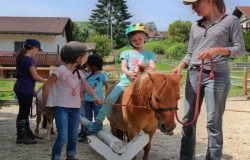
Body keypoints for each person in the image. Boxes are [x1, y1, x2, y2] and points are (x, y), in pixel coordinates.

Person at [172, 0, 245, 159]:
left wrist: (218, 50)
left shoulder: (231, 21)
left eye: (196, 4)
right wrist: (180, 65)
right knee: (187, 121)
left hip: (217, 75)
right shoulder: (194, 26)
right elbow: (190, 53)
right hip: (193, 74)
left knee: (213, 122)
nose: (193, 9)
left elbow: (240, 49)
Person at [86, 23, 157, 134]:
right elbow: (123, 67)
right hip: (127, 81)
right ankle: (99, 121)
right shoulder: (126, 53)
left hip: (144, 82)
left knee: (160, 97)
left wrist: (145, 69)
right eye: (134, 40)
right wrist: (129, 73)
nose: (137, 41)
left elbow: (153, 67)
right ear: (130, 41)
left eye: (139, 39)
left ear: (145, 38)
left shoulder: (150, 54)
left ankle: (163, 121)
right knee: (110, 98)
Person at [42, 41, 103, 160]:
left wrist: (96, 97)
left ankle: (70, 156)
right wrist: (47, 103)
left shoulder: (80, 73)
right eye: (85, 56)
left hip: (76, 108)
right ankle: (56, 157)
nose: (87, 58)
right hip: (61, 108)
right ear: (79, 59)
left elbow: (87, 87)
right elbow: (47, 86)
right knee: (63, 136)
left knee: (74, 135)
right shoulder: (60, 70)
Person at [14, 39, 46, 144]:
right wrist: (48, 80)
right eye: (37, 49)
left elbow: (28, 77)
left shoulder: (22, 58)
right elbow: (35, 76)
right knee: (23, 112)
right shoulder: (29, 60)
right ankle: (21, 136)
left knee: (25, 111)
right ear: (33, 48)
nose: (37, 51)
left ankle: (27, 133)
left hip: (23, 87)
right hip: (25, 88)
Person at [79, 54, 110, 142]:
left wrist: (106, 99)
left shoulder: (102, 76)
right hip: (87, 100)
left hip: (98, 101)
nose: (87, 67)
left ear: (94, 66)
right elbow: (83, 87)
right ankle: (86, 134)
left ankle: (98, 134)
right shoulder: (87, 76)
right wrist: (81, 97)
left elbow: (108, 87)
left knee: (98, 117)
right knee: (87, 118)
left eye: (89, 65)